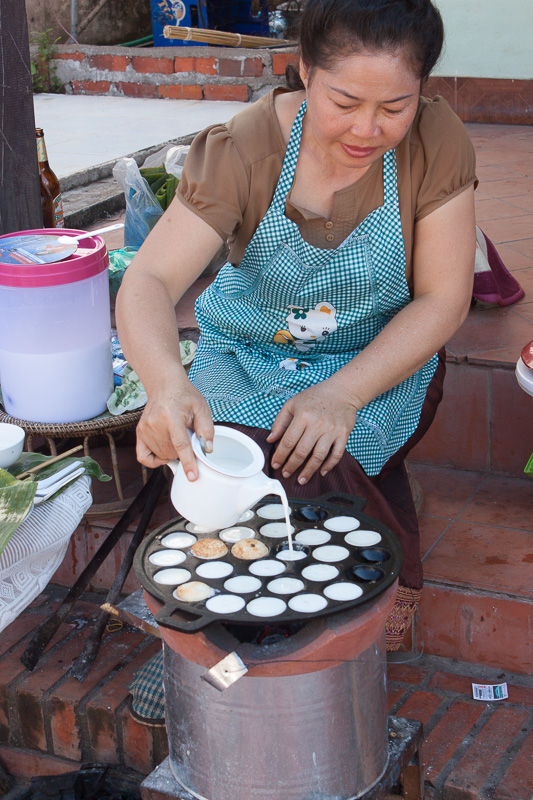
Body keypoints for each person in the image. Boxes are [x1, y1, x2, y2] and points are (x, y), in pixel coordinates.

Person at [117, 0, 476, 650]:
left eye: (394, 106)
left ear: (421, 90)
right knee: (231, 461)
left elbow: (442, 300)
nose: (367, 129)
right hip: (250, 352)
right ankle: (224, 634)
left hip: (378, 356)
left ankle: (322, 630)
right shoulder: (244, 150)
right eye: (344, 102)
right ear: (305, 70)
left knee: (316, 457)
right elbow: (149, 281)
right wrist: (166, 384)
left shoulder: (435, 142)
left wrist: (342, 394)